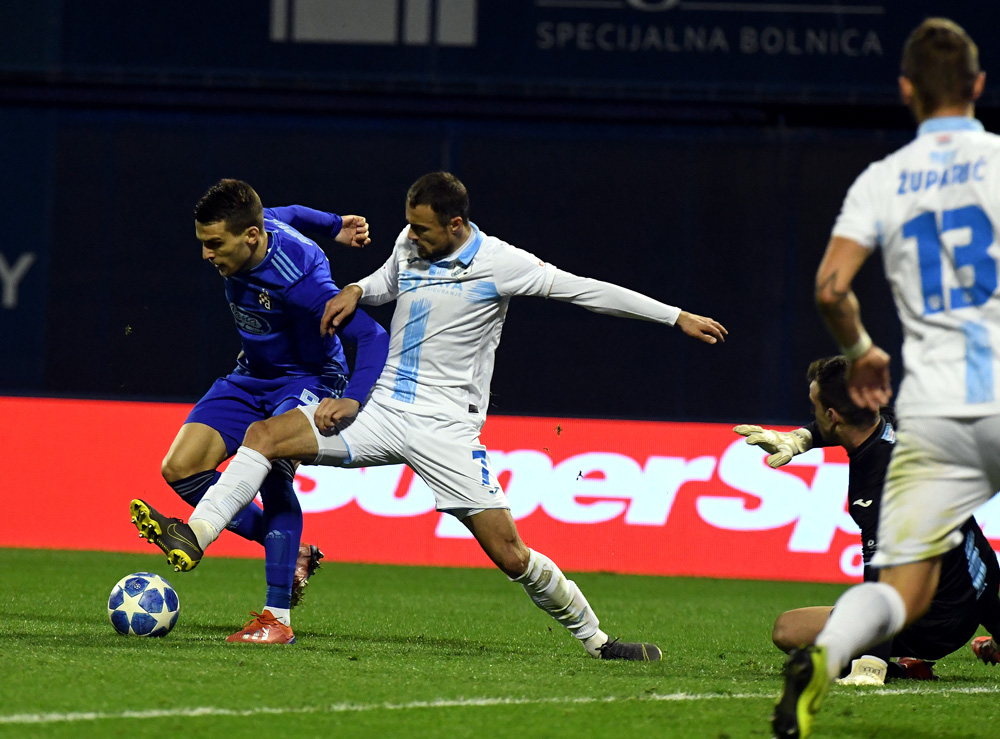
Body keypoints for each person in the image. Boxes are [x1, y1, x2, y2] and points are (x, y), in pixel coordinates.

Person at [130, 170, 728, 660]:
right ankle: (199, 536)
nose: (410, 237)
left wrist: (674, 316)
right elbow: (387, 282)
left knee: (510, 554)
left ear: (456, 225)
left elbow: (585, 289)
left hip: (446, 429)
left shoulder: (502, 264)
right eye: (408, 226)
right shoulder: (409, 244)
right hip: (384, 408)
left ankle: (598, 641)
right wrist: (357, 290)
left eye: (421, 228)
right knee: (265, 437)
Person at [772, 18, 1000, 737]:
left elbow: (830, 287)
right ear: (978, 85)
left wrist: (863, 348)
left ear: (905, 90)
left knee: (899, 587)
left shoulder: (883, 180)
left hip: (938, 411)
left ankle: (832, 653)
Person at [134, 179, 389, 644]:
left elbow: (372, 336)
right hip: (251, 374)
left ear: (250, 237)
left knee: (273, 474)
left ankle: (277, 619)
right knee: (181, 468)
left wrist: (353, 398)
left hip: (309, 379)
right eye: (203, 242)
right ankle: (295, 553)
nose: (206, 254)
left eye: (215, 244)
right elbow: (288, 212)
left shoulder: (303, 283)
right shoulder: (261, 222)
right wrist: (336, 224)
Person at [736, 356, 1000, 684]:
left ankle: (900, 666)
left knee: (789, 629)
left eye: (815, 408)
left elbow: (882, 586)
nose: (813, 416)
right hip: (980, 585)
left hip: (937, 622)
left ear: (832, 416)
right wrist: (801, 438)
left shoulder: (879, 488)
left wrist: (870, 665)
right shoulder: (899, 423)